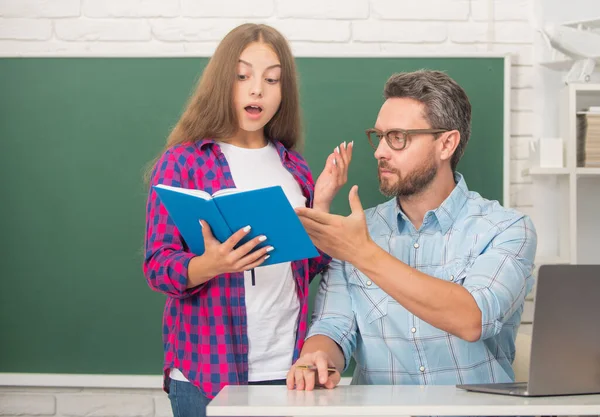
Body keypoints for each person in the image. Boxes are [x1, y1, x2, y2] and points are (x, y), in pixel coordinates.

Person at [143, 23, 352, 417]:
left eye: (272, 79)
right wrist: (210, 265)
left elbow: (304, 269)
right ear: (223, 83)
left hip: (288, 369)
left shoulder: (293, 168)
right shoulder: (184, 161)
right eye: (243, 76)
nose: (257, 89)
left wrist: (321, 203)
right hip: (207, 373)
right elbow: (157, 267)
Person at [287, 70, 537, 391]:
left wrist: (363, 253)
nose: (379, 152)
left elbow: (473, 319)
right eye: (379, 137)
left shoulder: (506, 229)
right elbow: (334, 326)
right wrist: (315, 359)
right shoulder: (359, 231)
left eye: (398, 137)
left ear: (446, 144)